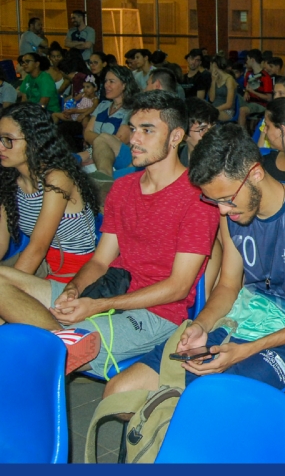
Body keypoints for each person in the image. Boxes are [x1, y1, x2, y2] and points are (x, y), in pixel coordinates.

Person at [105, 121, 285, 406]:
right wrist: (201, 325)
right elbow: (228, 286)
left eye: (227, 199)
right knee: (119, 393)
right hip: (238, 323)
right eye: (215, 201)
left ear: (255, 173)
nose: (223, 211)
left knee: (207, 403)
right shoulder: (231, 213)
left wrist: (248, 350)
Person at [0, 91, 219, 377]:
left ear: (176, 136)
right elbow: (100, 261)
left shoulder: (197, 197)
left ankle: (57, 346)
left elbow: (178, 287)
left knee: (32, 354)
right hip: (110, 288)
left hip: (155, 313)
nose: (134, 139)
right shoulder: (124, 188)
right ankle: (63, 342)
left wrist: (97, 305)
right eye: (133, 128)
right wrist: (73, 290)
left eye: (147, 130)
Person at [0, 102, 99, 281]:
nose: (1, 146)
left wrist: (9, 288)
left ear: (35, 141)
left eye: (8, 140)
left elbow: (38, 247)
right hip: (42, 265)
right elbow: (1, 241)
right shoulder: (10, 180)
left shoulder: (57, 178)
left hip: (73, 272)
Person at [82, 66, 140, 182]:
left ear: (124, 85)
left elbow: (119, 140)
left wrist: (96, 148)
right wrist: (98, 148)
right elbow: (87, 133)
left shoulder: (131, 110)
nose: (106, 85)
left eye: (111, 81)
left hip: (115, 159)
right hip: (94, 153)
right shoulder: (102, 105)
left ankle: (104, 177)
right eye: (106, 81)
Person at [179, 98, 219, 167]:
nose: (211, 134)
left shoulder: (222, 160)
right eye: (202, 129)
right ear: (184, 136)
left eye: (213, 127)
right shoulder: (177, 159)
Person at [243, 49, 274, 116]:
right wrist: (246, 92)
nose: (246, 61)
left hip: (260, 105)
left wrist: (253, 92)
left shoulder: (265, 77)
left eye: (247, 59)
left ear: (252, 60)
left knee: (242, 110)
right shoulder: (248, 74)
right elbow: (246, 88)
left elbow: (269, 98)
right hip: (249, 103)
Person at [208, 56, 238, 124]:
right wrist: (213, 81)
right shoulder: (215, 78)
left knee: (208, 116)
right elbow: (211, 99)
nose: (210, 68)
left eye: (211, 65)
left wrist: (214, 110)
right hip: (214, 108)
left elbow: (229, 104)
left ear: (215, 65)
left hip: (226, 111)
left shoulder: (229, 79)